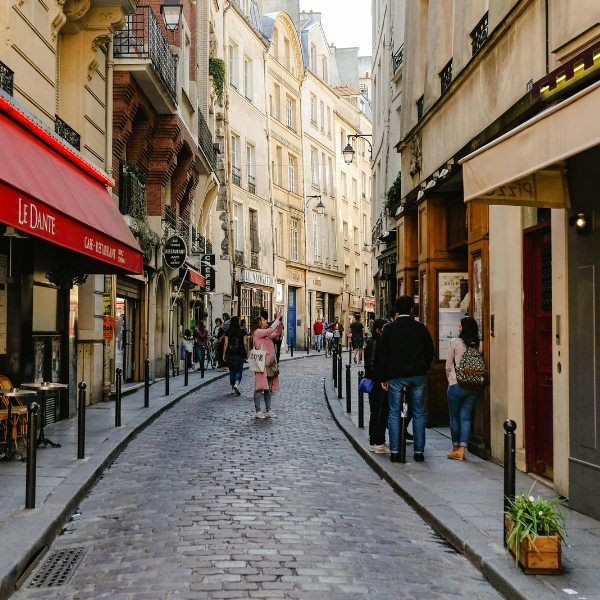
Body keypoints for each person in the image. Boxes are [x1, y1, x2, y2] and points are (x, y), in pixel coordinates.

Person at [380, 295, 434, 463]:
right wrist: (424, 367)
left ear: (397, 310)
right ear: (412, 309)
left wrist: (384, 377)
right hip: (417, 376)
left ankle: (395, 451)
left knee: (394, 412)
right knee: (418, 412)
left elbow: (383, 355)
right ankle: (419, 452)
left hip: (396, 377)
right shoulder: (420, 328)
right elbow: (430, 351)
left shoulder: (389, 329)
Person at [445, 317, 482, 460]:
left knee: (454, 417)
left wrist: (450, 379)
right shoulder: (479, 345)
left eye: (460, 326)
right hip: (473, 385)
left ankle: (455, 448)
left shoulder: (455, 342)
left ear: (464, 328)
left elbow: (448, 366)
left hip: (456, 384)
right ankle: (462, 450)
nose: (459, 328)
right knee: (465, 417)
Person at [252, 310, 284, 418]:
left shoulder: (266, 334)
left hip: (269, 365)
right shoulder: (258, 332)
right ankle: (258, 411)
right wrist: (277, 319)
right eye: (264, 320)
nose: (266, 321)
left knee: (268, 388)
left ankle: (268, 410)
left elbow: (276, 333)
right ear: (259, 324)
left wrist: (280, 322)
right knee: (259, 388)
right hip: (261, 365)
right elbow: (271, 329)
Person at [365, 318, 390, 454]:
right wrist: (381, 380)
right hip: (377, 383)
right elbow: (373, 365)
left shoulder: (372, 342)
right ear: (378, 329)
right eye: (385, 327)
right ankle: (377, 442)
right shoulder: (376, 343)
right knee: (379, 413)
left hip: (376, 381)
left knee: (377, 412)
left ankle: (375, 441)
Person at [223, 316, 247, 394]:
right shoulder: (242, 332)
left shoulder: (228, 331)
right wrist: (246, 353)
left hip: (230, 353)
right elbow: (245, 343)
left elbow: (226, 343)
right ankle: (236, 384)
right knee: (239, 370)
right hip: (239, 353)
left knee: (232, 370)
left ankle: (233, 387)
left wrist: (224, 354)